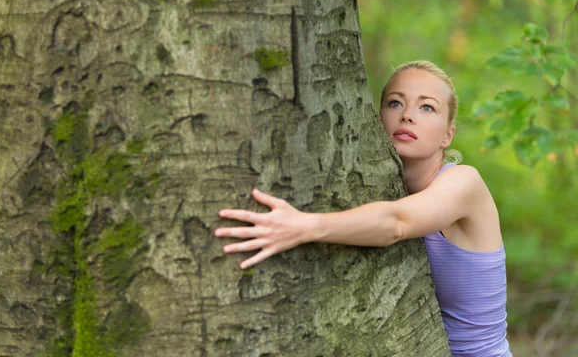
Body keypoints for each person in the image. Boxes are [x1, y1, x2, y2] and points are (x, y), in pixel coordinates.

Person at [214, 61, 512, 357]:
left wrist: (302, 227)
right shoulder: (373, 187)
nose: (407, 116)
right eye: (395, 103)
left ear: (448, 135)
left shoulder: (464, 183)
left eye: (427, 107)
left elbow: (396, 223)